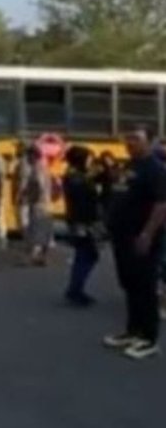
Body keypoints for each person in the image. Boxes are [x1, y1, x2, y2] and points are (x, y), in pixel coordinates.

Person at [103, 129, 166, 360]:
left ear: (150, 142)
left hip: (142, 239)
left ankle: (149, 339)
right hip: (122, 236)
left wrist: (147, 234)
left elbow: (162, 205)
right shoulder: (130, 166)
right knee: (129, 284)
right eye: (128, 138)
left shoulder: (155, 170)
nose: (130, 143)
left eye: (136, 139)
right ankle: (133, 331)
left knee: (145, 287)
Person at [63, 145, 101, 307]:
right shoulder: (78, 179)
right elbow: (86, 198)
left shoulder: (73, 176)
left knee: (84, 254)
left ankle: (75, 287)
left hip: (78, 220)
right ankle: (75, 289)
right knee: (87, 254)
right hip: (82, 221)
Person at [18, 144, 54, 266]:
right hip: (45, 203)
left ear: (33, 155)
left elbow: (39, 185)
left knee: (36, 229)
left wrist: (32, 197)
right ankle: (42, 257)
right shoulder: (43, 167)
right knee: (44, 229)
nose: (27, 158)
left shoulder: (37, 168)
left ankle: (34, 257)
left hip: (39, 203)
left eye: (28, 155)